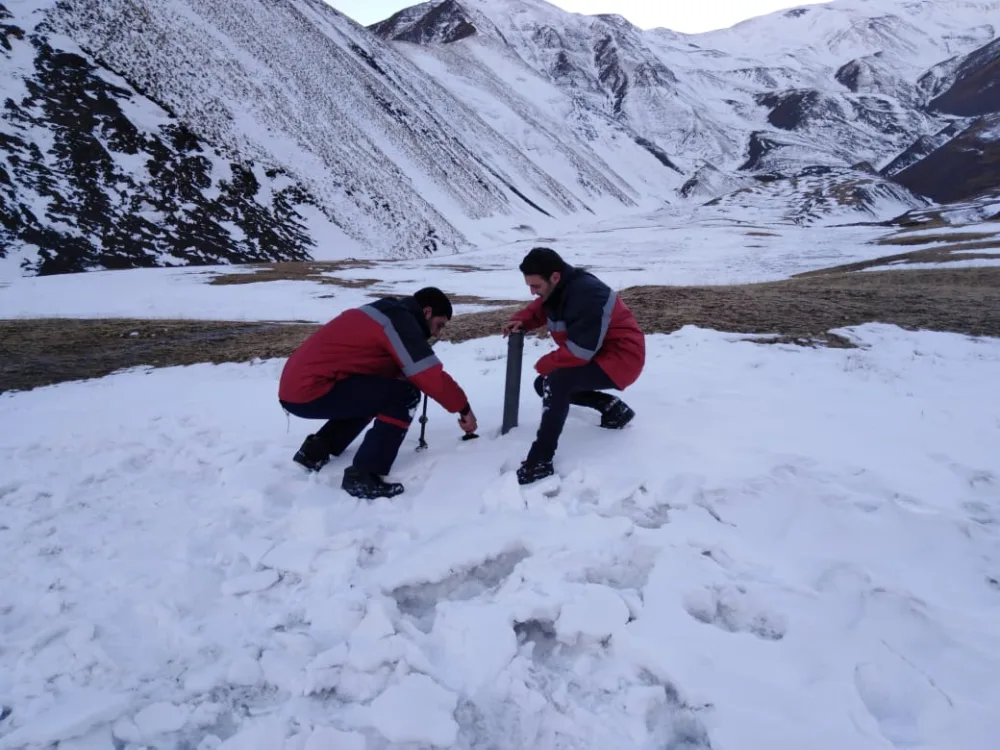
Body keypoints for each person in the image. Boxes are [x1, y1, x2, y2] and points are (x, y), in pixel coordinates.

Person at [279, 287, 477, 500]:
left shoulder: (387, 312)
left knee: (378, 393)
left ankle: (314, 452)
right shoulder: (399, 322)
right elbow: (429, 375)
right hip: (310, 389)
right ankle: (364, 475)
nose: (438, 333)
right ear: (427, 312)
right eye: (439, 325)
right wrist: (463, 408)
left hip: (296, 386)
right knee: (403, 396)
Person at [502, 247, 645, 485]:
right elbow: (541, 307)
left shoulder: (588, 294)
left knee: (557, 381)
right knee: (544, 384)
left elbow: (580, 352)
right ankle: (612, 409)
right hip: (601, 354)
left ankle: (540, 460)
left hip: (622, 358)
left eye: (536, 286)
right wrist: (522, 321)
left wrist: (546, 363)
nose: (532, 291)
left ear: (555, 277)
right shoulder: (559, 288)